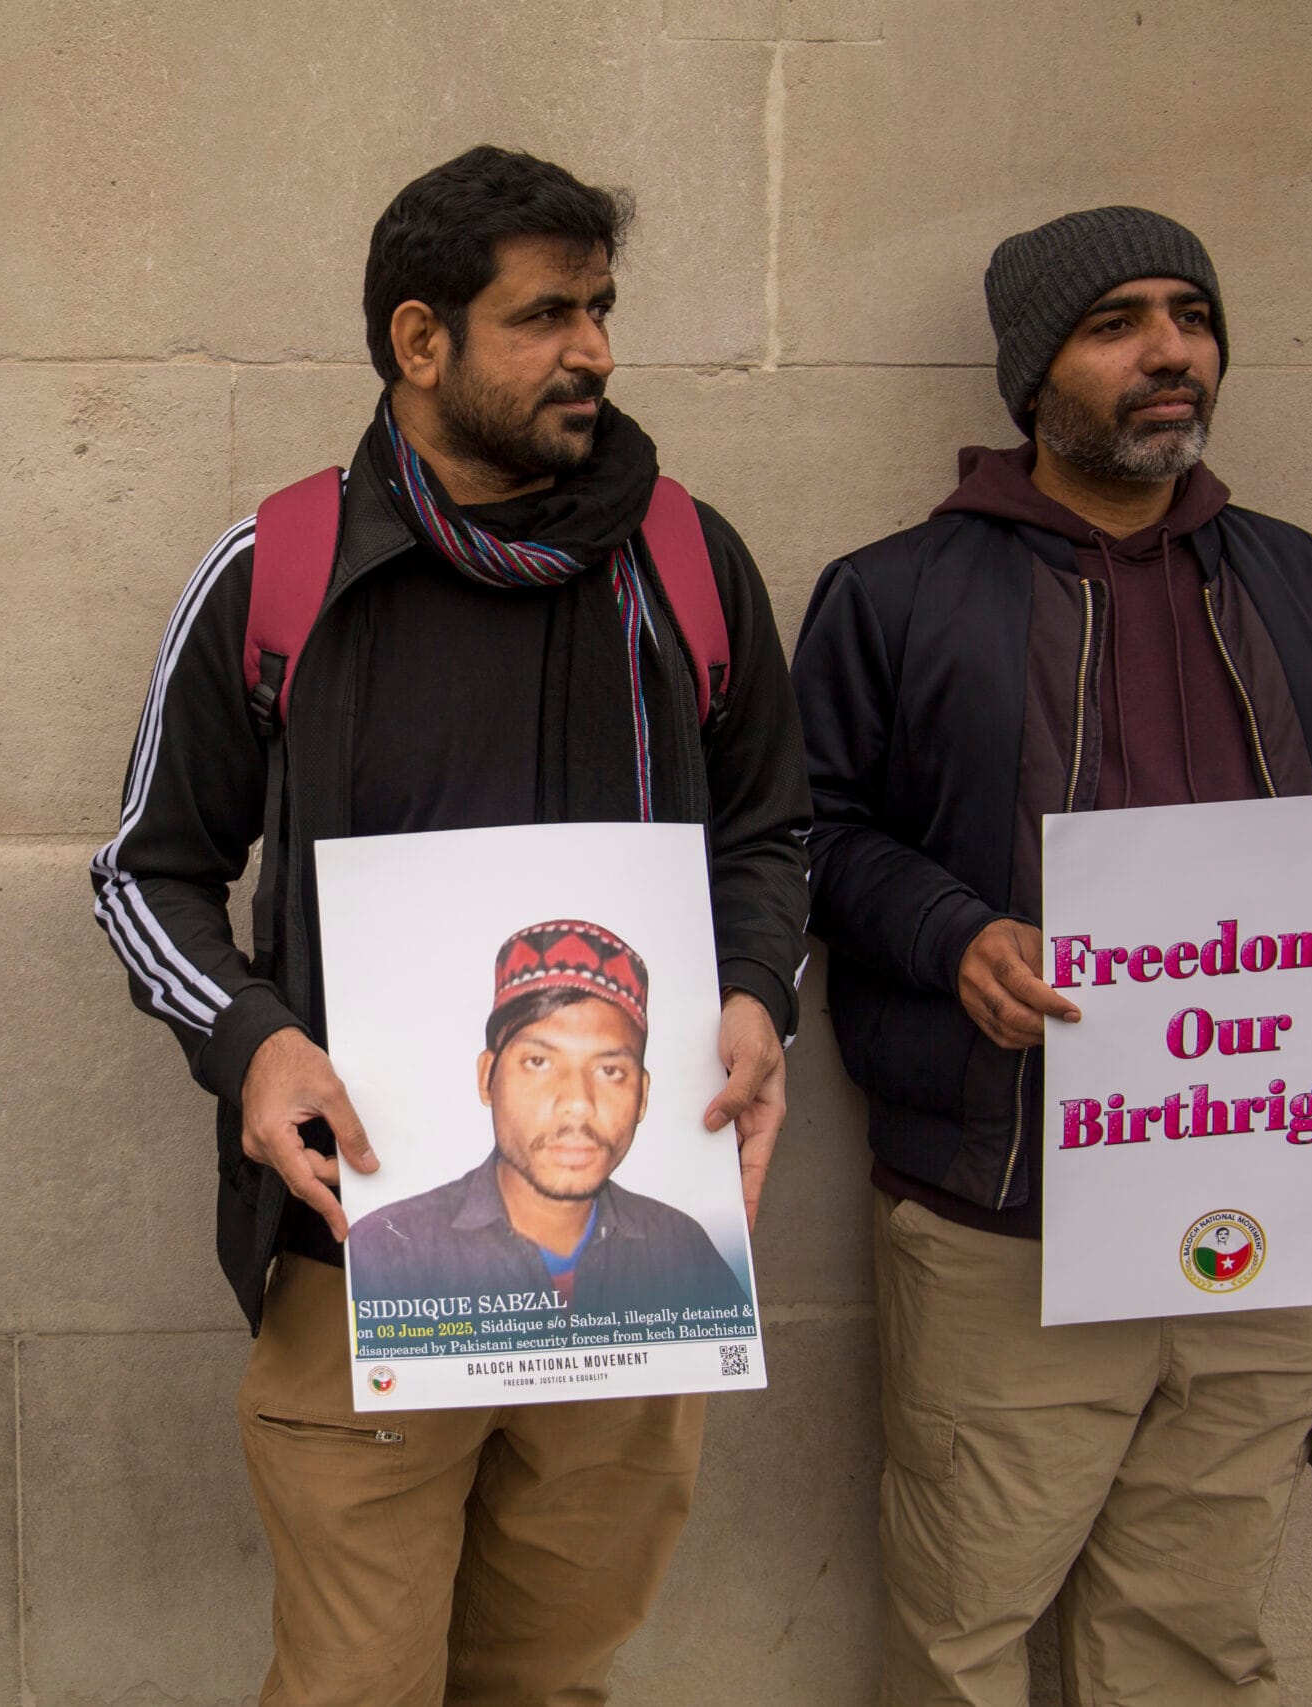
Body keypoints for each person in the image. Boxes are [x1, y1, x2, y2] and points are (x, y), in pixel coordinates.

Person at [92, 146, 810, 1706]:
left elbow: (771, 831)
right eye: (547, 314)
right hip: (360, 1269)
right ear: (421, 342)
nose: (597, 351)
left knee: (550, 1682)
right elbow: (146, 873)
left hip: (636, 1286)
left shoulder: (686, 561)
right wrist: (254, 1039)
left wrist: (757, 991)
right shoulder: (279, 571)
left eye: (603, 309)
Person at [791, 205, 1312, 1705]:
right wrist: (956, 933)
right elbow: (809, 840)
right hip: (1006, 1211)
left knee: (1192, 1638)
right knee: (962, 1641)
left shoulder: (1305, 581)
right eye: (1117, 322)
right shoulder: (896, 593)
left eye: (1191, 313)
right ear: (1035, 371)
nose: (1170, 349)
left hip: (1256, 1211)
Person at [348, 919, 747, 1318]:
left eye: (610, 1071)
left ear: (642, 1094)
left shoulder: (682, 1248)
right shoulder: (387, 1249)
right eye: (538, 1062)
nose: (577, 1103)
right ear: (487, 1078)